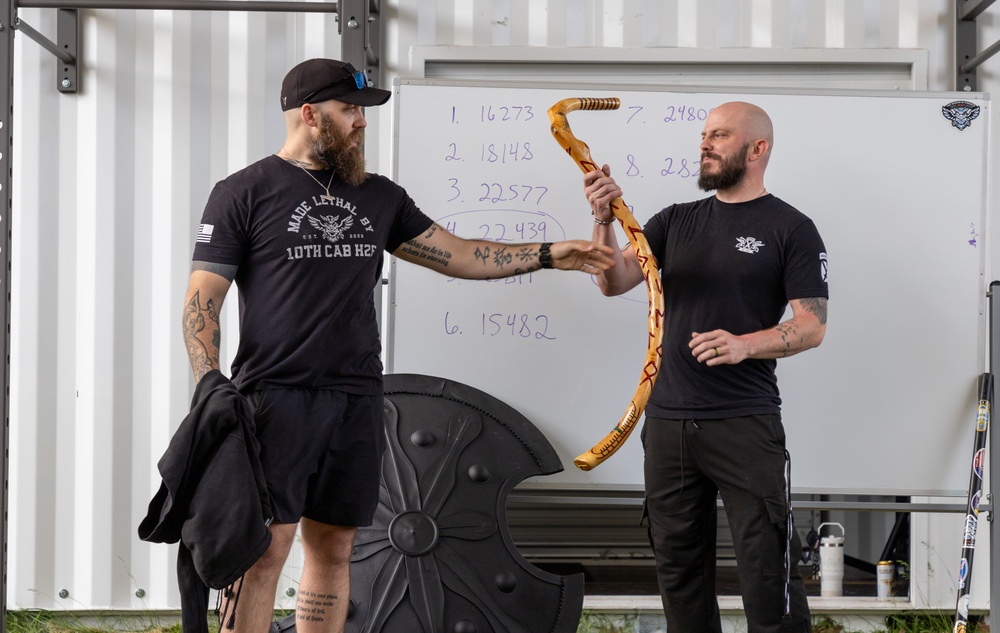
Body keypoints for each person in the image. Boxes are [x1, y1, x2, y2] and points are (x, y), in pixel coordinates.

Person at [181, 58, 615, 633]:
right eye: (349, 110)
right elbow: (203, 297)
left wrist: (549, 253)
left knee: (335, 550)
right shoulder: (243, 193)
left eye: (361, 112)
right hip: (273, 397)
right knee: (263, 552)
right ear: (311, 115)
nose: (361, 123)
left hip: (356, 399)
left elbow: (458, 254)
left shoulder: (377, 197)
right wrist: (208, 385)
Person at [583, 101, 828, 633]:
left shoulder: (791, 228)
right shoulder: (674, 221)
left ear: (757, 148)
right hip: (667, 423)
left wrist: (745, 344)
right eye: (704, 135)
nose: (705, 143)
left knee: (767, 571)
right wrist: (602, 222)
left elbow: (811, 325)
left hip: (745, 423)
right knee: (679, 573)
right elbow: (613, 281)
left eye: (719, 134)